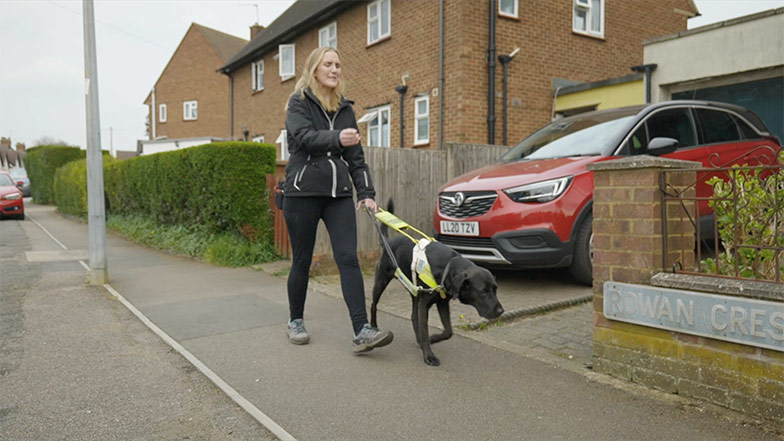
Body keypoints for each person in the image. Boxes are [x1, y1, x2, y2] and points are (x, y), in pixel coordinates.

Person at [282, 47, 393, 353]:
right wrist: (335, 139)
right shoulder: (298, 102)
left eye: (338, 65)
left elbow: (356, 158)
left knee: (348, 259)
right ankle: (295, 320)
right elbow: (303, 137)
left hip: (338, 195)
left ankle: (362, 330)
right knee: (302, 260)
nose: (334, 69)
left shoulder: (345, 109)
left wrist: (366, 194)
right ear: (314, 68)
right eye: (328, 64)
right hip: (302, 192)